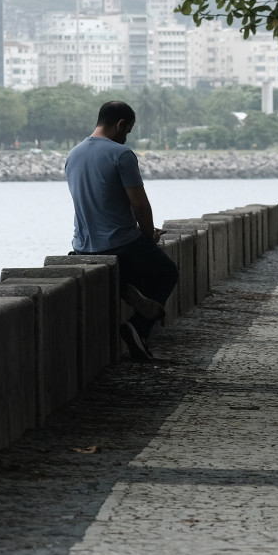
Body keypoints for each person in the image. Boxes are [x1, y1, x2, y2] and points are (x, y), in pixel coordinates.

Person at [65, 100, 180, 361]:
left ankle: (127, 286)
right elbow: (139, 202)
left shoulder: (74, 154)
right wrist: (149, 234)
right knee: (166, 272)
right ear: (120, 124)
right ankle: (138, 327)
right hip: (120, 244)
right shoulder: (120, 154)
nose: (126, 137)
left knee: (137, 268)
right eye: (127, 131)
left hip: (83, 247)